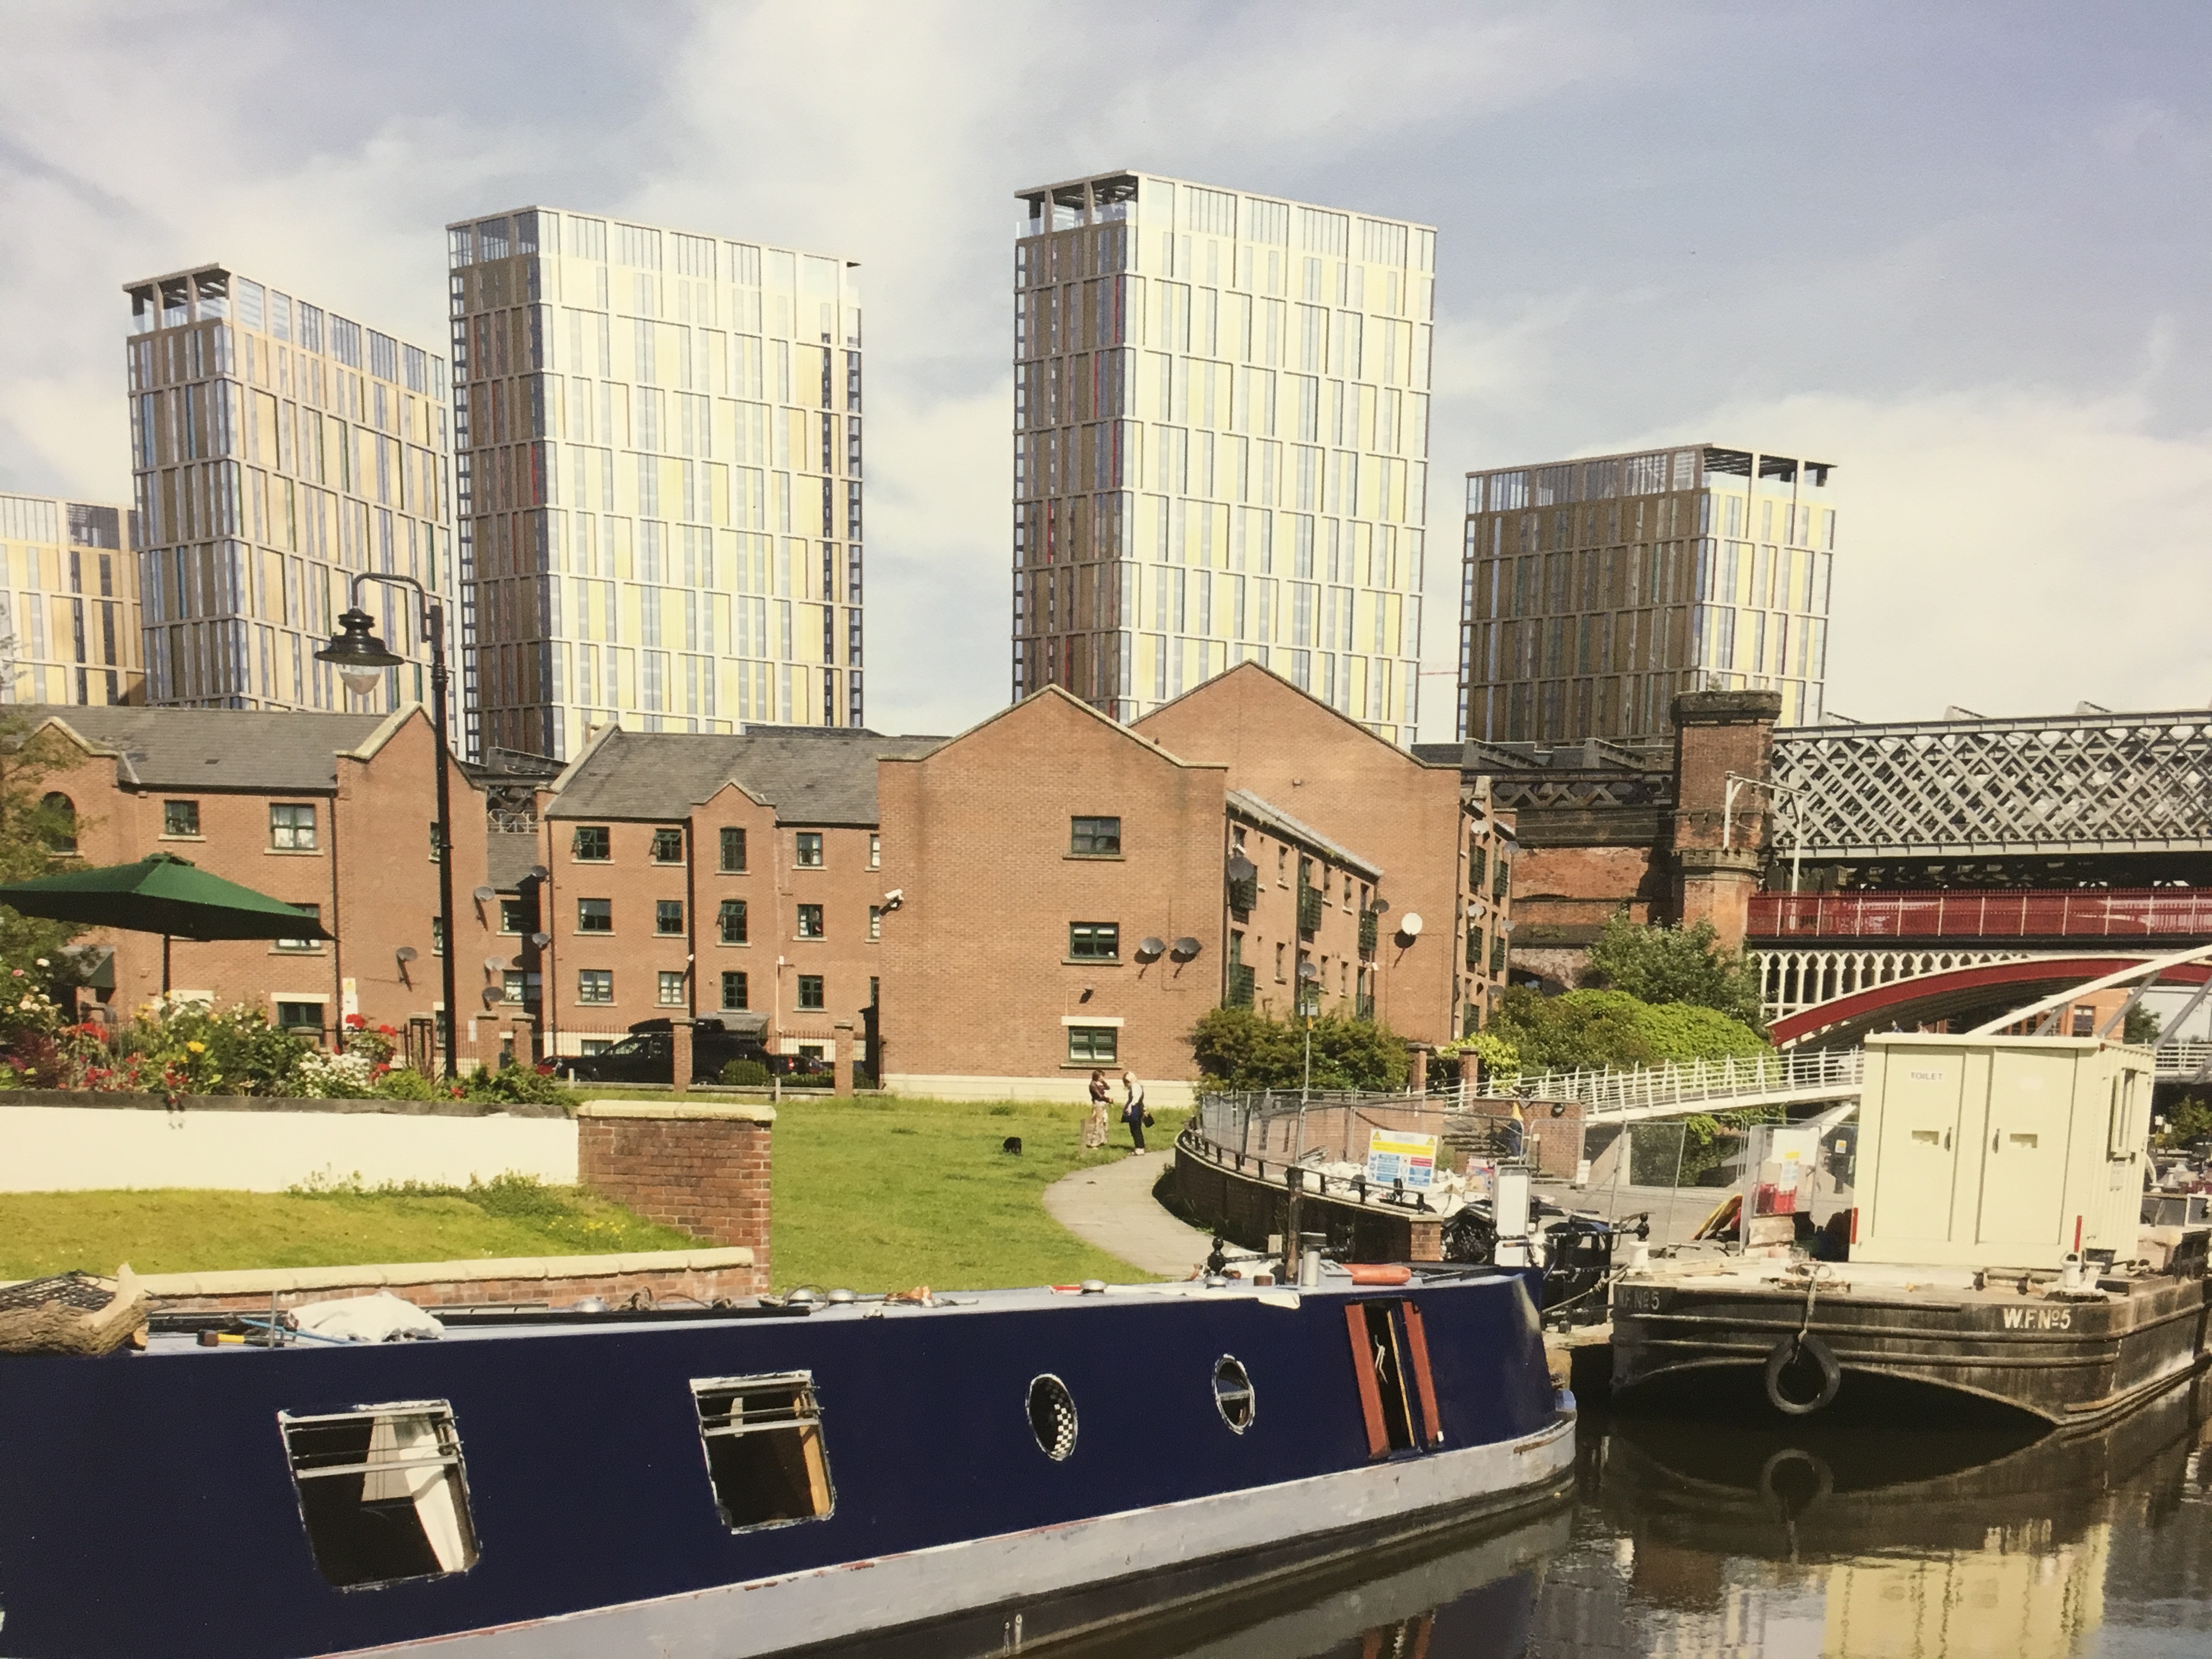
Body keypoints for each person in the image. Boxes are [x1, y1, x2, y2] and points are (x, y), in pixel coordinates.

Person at [1121, 1070, 1149, 1154]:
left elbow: (1136, 1098)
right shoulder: (1137, 1086)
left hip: (1135, 1109)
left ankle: (1140, 1148)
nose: (1127, 1084)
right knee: (1135, 1128)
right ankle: (1139, 1147)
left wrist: (1130, 1106)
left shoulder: (1135, 1086)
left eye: (1127, 1082)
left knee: (1136, 1128)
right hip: (1137, 1108)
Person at [1082, 1070, 1110, 1149]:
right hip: (1097, 1104)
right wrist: (1108, 1099)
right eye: (1101, 1076)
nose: (1102, 1077)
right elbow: (1099, 1095)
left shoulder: (1100, 1083)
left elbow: (1108, 1088)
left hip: (1103, 1104)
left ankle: (1101, 1140)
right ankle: (1093, 1142)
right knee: (1097, 1122)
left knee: (1104, 1121)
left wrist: (1104, 1082)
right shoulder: (1093, 1084)